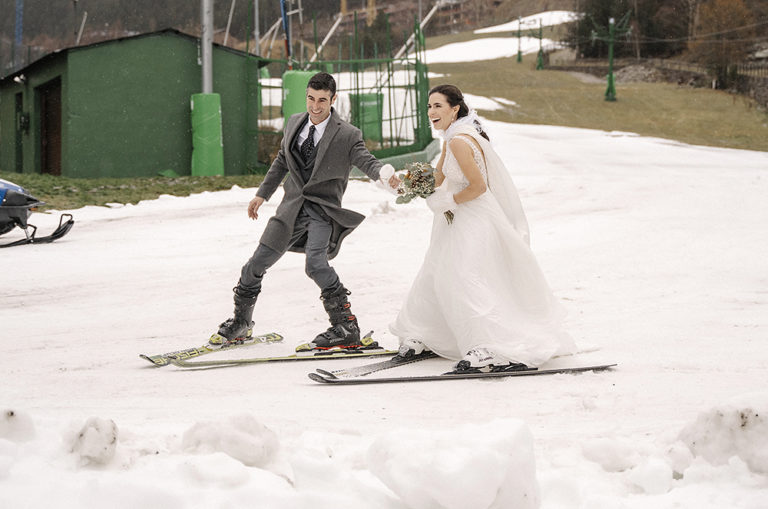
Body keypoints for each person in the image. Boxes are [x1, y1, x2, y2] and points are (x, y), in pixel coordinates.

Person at [390, 84, 575, 373]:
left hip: (473, 217)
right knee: (436, 271)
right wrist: (405, 184)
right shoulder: (452, 138)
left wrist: (448, 201)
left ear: (454, 109)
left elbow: (478, 187)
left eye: (438, 106)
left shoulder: (460, 141)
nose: (431, 112)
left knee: (466, 276)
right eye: (429, 106)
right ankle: (427, 333)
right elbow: (439, 177)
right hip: (457, 218)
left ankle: (490, 345)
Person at [211, 72, 400, 351]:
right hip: (290, 209)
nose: (315, 106)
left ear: (333, 99)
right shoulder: (294, 123)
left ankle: (346, 326)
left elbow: (366, 160)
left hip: (321, 211)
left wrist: (384, 175)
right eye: (311, 98)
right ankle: (241, 323)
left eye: (322, 100)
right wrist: (262, 194)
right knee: (254, 265)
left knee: (316, 265)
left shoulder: (347, 135)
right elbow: (282, 160)